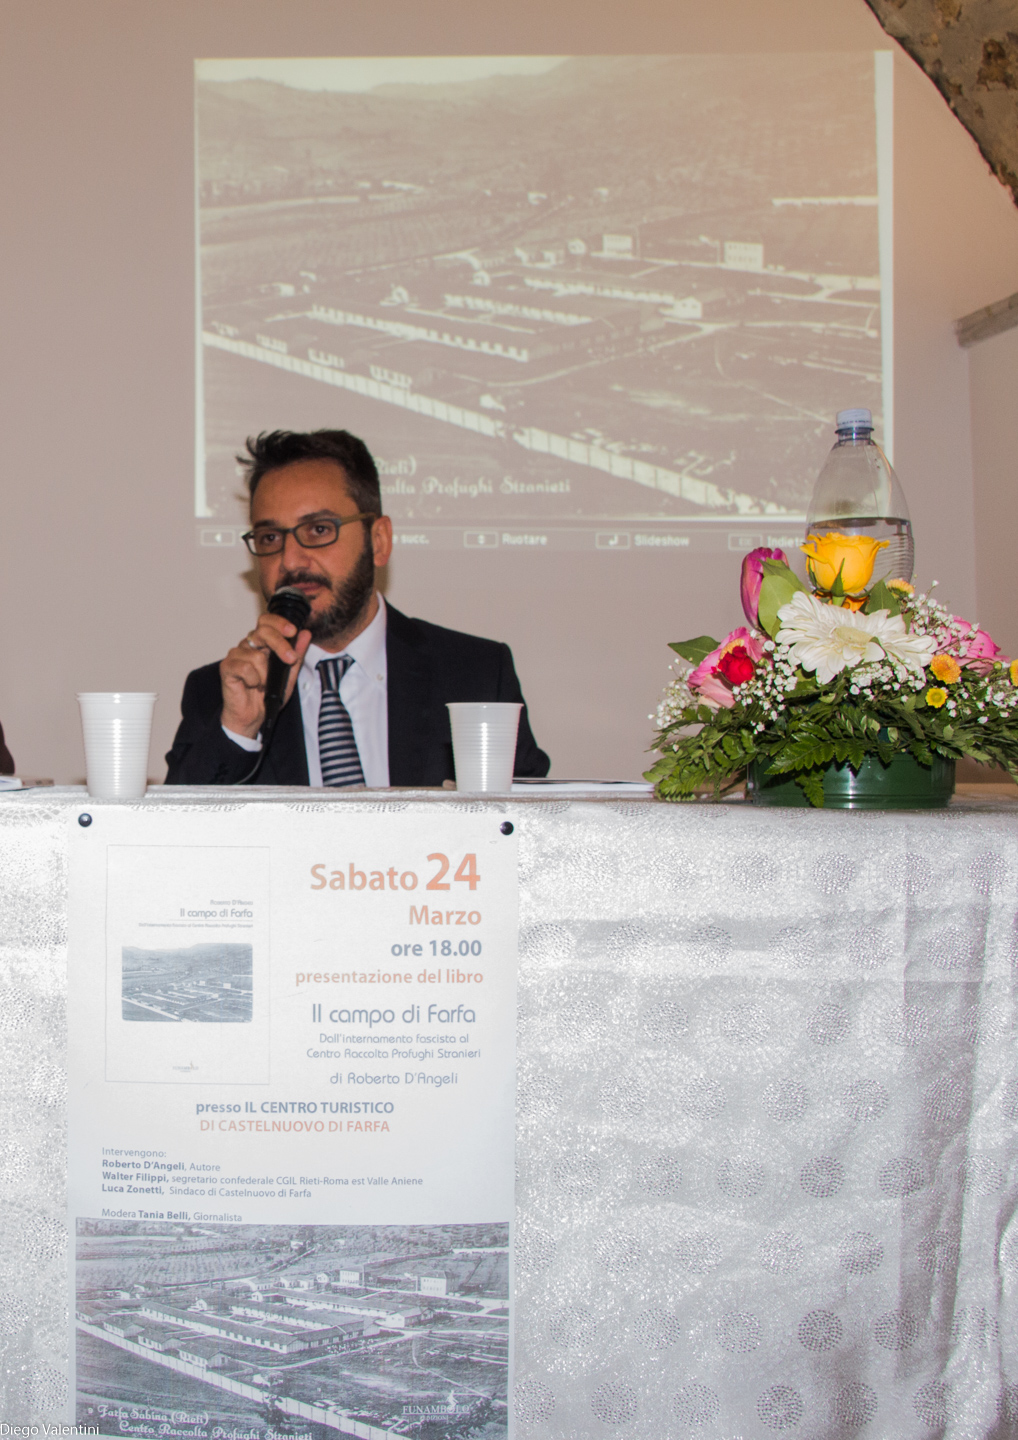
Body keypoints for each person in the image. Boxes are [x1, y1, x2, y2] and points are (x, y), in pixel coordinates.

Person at [165, 429, 549, 786]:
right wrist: (239, 730)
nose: (291, 560)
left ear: (378, 541)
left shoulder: (476, 675)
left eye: (319, 530)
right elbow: (174, 830)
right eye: (270, 538)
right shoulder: (219, 695)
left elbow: (530, 826)